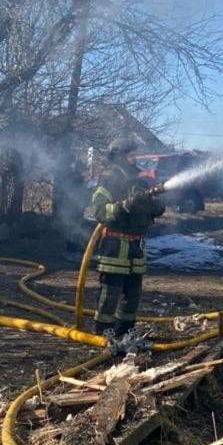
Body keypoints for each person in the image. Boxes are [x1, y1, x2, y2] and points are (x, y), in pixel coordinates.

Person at [89, 138, 166, 339]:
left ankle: (125, 331)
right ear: (119, 156)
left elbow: (153, 207)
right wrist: (125, 206)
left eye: (135, 155)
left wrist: (155, 206)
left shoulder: (139, 180)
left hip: (136, 245)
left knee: (133, 293)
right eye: (130, 155)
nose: (134, 159)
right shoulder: (109, 178)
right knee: (111, 292)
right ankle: (103, 334)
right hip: (115, 245)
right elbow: (99, 210)